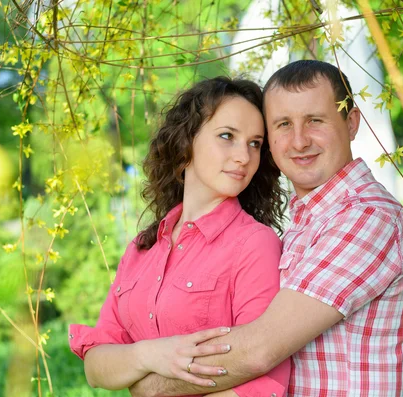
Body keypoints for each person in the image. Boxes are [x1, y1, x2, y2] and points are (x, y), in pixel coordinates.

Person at [127, 60, 403, 397]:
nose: (298, 141)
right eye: (283, 124)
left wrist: (149, 384)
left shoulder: (367, 217)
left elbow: (259, 350)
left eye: (315, 120)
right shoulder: (306, 222)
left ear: (351, 122)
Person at [68, 77, 291, 396]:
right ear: (186, 144)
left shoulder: (255, 245)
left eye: (254, 143)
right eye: (227, 136)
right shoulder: (142, 249)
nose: (244, 156)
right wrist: (148, 355)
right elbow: (96, 364)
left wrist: (141, 378)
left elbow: (265, 383)